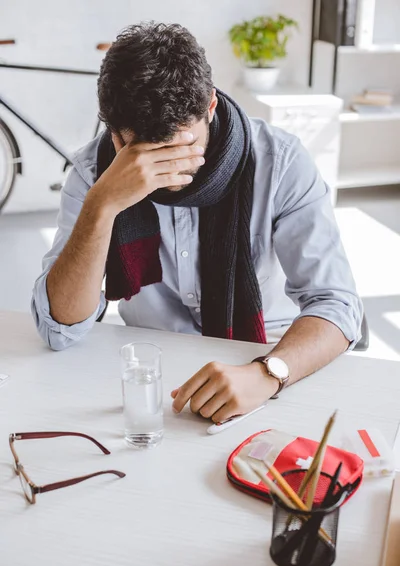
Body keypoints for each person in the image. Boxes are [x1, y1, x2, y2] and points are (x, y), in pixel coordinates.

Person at [32, 22, 362, 424]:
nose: (166, 172)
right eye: (145, 154)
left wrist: (267, 373)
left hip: (269, 359)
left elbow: (337, 304)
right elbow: (59, 328)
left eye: (178, 148)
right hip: (153, 372)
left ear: (210, 106)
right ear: (115, 137)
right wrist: (102, 206)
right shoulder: (93, 172)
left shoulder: (281, 163)